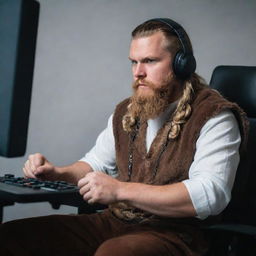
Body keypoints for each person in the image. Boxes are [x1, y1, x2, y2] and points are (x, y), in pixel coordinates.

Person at [0, 18, 248, 256]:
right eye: (133, 62)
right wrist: (56, 173)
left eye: (150, 61)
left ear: (182, 64)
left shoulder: (214, 116)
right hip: (115, 221)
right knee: (12, 237)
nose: (138, 72)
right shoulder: (127, 111)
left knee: (116, 253)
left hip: (177, 234)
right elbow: (95, 164)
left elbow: (210, 195)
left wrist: (120, 191)